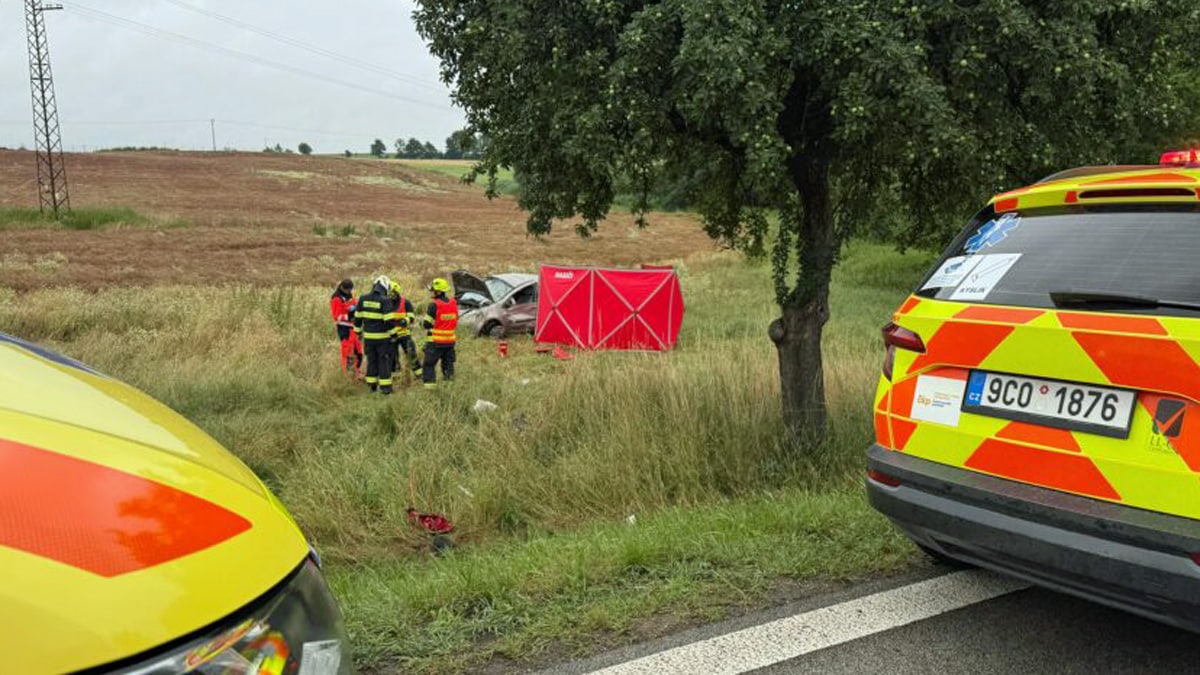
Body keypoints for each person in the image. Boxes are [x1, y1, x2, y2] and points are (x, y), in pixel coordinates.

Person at [353, 275, 398, 394]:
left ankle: (371, 386)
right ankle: (386, 389)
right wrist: (394, 335)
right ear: (385, 287)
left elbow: (357, 318)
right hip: (383, 339)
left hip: (368, 338)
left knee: (371, 361)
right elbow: (389, 321)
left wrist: (358, 333)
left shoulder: (362, 299)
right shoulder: (385, 300)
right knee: (383, 362)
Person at [421, 277, 458, 389]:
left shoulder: (435, 305)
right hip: (450, 342)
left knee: (429, 365)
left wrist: (422, 323)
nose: (432, 292)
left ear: (438, 291)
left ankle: (430, 390)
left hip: (435, 343)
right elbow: (456, 319)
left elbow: (427, 324)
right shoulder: (453, 303)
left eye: (433, 290)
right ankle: (449, 389)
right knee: (448, 365)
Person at [388, 280, 422, 381]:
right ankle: (396, 378)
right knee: (393, 358)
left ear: (397, 293)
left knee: (412, 355)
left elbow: (411, 316)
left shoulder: (405, 302)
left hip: (404, 335)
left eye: (392, 293)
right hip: (391, 336)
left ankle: (419, 375)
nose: (391, 296)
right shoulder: (386, 303)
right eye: (389, 293)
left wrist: (405, 321)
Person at [329, 278, 362, 375]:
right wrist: (350, 316)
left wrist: (357, 306)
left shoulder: (348, 295)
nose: (350, 292)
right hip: (344, 329)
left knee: (358, 352)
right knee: (347, 354)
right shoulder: (336, 298)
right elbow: (337, 317)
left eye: (351, 290)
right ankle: (347, 375)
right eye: (348, 290)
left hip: (353, 328)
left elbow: (353, 303)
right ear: (343, 288)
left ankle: (356, 373)